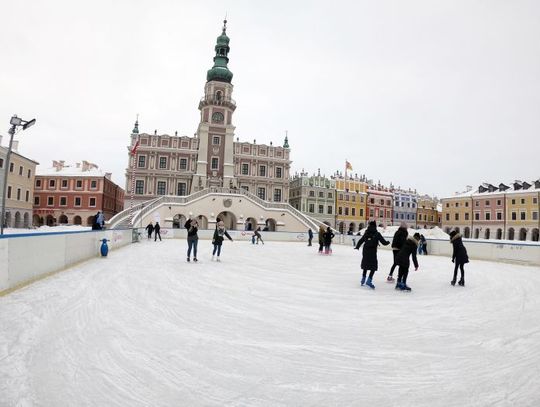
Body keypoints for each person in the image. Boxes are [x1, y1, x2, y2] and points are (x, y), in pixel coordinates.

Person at [355, 221, 390, 289]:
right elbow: (383, 242)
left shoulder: (366, 232)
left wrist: (357, 247)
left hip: (365, 251)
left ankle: (363, 279)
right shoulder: (377, 233)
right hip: (372, 251)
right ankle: (369, 280)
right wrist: (388, 242)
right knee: (373, 266)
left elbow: (361, 240)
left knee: (365, 264)